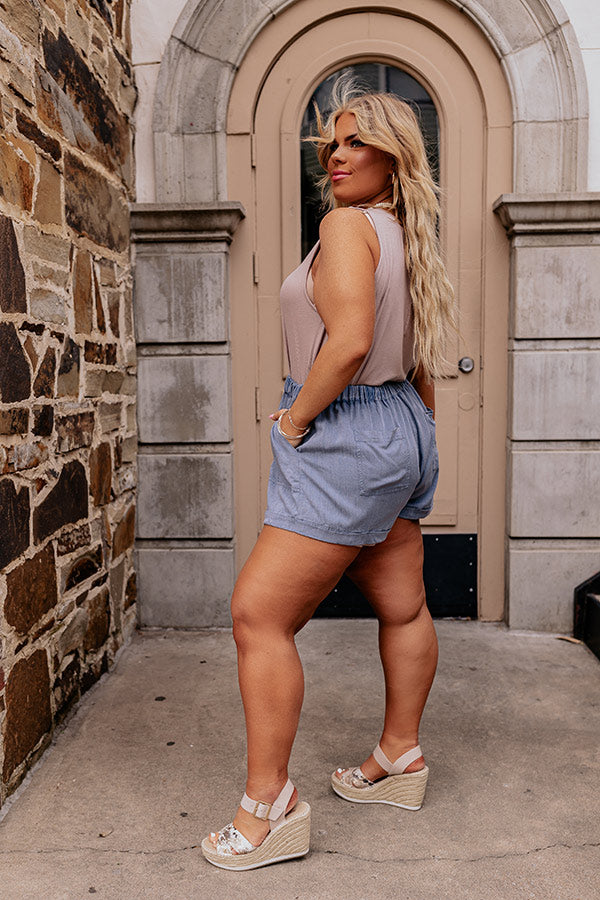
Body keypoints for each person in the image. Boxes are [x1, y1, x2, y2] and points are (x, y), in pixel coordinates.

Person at [201, 80, 456, 871]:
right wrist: (417, 436)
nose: (335, 156)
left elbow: (346, 343)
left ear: (394, 155)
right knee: (403, 603)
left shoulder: (347, 227)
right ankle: (399, 757)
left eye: (354, 142)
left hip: (346, 428)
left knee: (258, 616)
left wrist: (295, 421)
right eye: (331, 143)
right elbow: (418, 358)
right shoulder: (406, 233)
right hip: (400, 424)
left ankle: (267, 807)